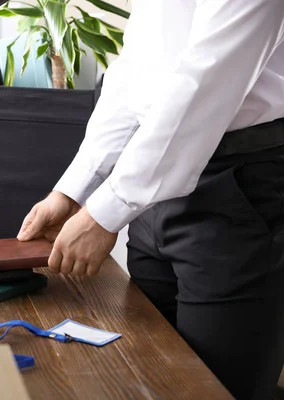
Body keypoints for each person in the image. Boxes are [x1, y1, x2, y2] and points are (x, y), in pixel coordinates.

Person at [16, 1, 284, 399]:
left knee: (216, 390)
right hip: (152, 194)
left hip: (238, 194)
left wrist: (104, 213)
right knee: (144, 377)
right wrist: (73, 190)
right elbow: (136, 71)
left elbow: (205, 83)